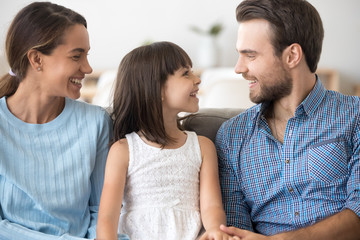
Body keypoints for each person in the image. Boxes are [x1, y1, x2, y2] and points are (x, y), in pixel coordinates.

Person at [216, 0, 360, 239]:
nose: (239, 68)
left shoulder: (354, 116)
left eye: (250, 55)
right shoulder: (232, 135)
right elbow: (234, 228)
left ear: (292, 55)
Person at [96, 41, 235, 240]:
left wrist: (215, 230)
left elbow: (212, 206)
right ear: (158, 89)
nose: (197, 80)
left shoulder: (203, 147)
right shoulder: (123, 150)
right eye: (186, 73)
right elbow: (107, 218)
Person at [0, 2, 112, 240]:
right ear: (36, 59)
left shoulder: (96, 123)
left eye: (86, 55)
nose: (88, 67)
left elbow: (103, 212)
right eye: (76, 56)